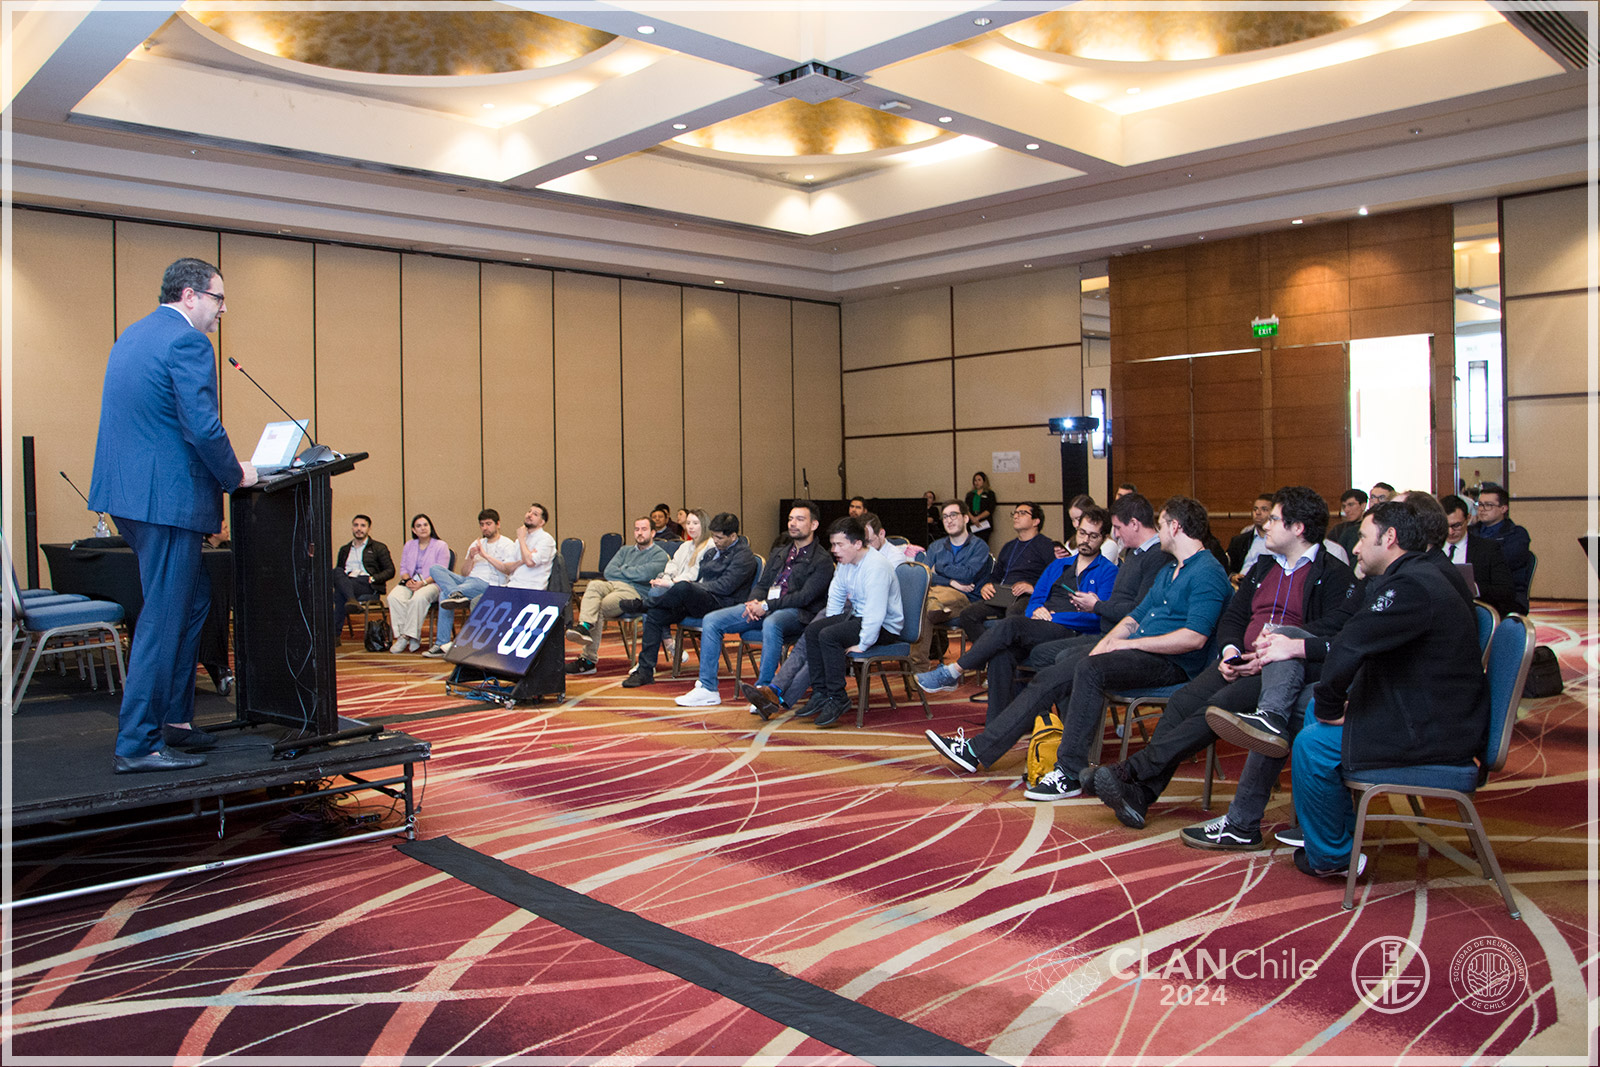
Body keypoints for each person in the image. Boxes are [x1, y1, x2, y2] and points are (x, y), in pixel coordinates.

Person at [1087, 487, 1356, 830]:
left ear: (1298, 528)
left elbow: (1334, 629)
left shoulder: (1333, 574)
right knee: (1182, 702)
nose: (1265, 525)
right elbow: (1234, 617)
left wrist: (1273, 647)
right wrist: (1231, 651)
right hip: (1239, 660)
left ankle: (1132, 771)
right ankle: (1140, 794)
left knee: (1217, 708)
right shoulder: (1263, 567)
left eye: (1274, 519)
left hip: (1285, 670)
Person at [87, 257, 258, 773]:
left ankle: (175, 721)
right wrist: (236, 474)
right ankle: (138, 743)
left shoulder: (133, 335)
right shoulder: (188, 342)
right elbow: (202, 426)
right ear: (190, 296)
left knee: (194, 600)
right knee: (163, 618)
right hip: (166, 501)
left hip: (131, 498)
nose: (222, 310)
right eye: (218, 299)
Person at [1288, 500, 1488, 879]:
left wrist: (1332, 705)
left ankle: (1332, 858)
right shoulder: (1419, 575)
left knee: (1312, 745)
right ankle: (1336, 833)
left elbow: (1349, 646)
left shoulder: (1412, 586)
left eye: (1363, 538)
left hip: (1435, 730)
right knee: (1316, 711)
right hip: (1432, 709)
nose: (1356, 548)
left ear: (1390, 538)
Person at [1022, 497, 1231, 801]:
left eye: (1161, 524)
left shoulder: (1207, 571)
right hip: (1145, 653)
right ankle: (1057, 758)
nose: (1158, 531)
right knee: (1081, 660)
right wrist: (1106, 644)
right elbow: (1134, 618)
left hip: (1175, 664)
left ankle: (1068, 771)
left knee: (1089, 668)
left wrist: (1125, 645)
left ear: (1175, 527)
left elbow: (1194, 638)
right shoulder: (1170, 570)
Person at [917, 505, 1117, 741]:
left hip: (1071, 631)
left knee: (1011, 624)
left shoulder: (1108, 571)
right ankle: (994, 733)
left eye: (1093, 536)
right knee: (1001, 655)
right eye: (1082, 533)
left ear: (1103, 538)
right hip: (1042, 624)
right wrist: (1036, 610)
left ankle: (954, 671)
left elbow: (1098, 616)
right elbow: (1037, 598)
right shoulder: (1059, 565)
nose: (1085, 540)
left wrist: (1054, 616)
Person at [673, 501, 833, 706]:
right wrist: (753, 602)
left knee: (773, 622)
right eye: (790, 519)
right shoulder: (781, 552)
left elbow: (804, 597)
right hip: (765, 607)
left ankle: (763, 691)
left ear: (814, 525)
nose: (793, 523)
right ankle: (707, 688)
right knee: (712, 620)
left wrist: (766, 606)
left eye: (800, 519)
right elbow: (763, 584)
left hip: (797, 613)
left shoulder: (822, 560)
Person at [621, 512, 759, 688]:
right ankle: (645, 671)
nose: (715, 541)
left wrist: (694, 587)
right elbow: (701, 577)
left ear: (733, 536)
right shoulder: (712, 552)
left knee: (683, 587)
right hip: (702, 600)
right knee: (656, 614)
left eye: (719, 538)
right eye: (713, 536)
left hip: (723, 604)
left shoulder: (744, 557)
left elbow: (724, 587)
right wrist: (693, 587)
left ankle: (645, 604)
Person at [794, 516, 906, 729]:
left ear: (857, 544)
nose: (834, 550)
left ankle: (837, 698)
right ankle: (821, 692)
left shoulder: (876, 566)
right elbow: (836, 594)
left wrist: (863, 643)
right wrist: (832, 622)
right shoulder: (846, 563)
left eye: (839, 544)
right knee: (814, 630)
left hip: (885, 626)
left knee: (829, 636)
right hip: (860, 617)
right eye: (832, 544)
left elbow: (875, 613)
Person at [565, 517, 670, 674]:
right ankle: (584, 626)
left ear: (653, 533)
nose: (639, 533)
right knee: (594, 584)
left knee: (597, 607)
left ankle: (588, 660)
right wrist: (632, 572)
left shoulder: (660, 555)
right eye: (637, 529)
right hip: (614, 585)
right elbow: (609, 571)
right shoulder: (625, 550)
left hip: (635, 593)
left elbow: (646, 575)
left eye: (644, 529)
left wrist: (623, 569)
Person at [909, 499, 991, 671]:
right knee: (923, 606)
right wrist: (951, 581)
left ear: (966, 518)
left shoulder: (979, 546)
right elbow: (925, 576)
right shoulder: (936, 546)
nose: (949, 520)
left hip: (966, 599)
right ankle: (918, 669)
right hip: (936, 592)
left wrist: (939, 568)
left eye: (953, 515)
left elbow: (967, 575)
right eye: (945, 516)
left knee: (922, 606)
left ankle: (918, 669)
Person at [424, 509, 520, 656]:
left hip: (488, 583)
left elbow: (507, 570)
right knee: (435, 569)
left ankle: (441, 643)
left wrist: (485, 556)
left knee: (444, 595)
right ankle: (455, 594)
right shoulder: (477, 543)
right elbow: (464, 573)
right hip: (468, 581)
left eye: (488, 524)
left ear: (498, 524)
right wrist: (470, 557)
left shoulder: (507, 544)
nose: (485, 528)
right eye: (482, 524)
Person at [953, 502, 1055, 640]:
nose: (1016, 516)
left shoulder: (1046, 545)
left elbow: (1055, 578)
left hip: (1027, 596)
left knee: (1014, 612)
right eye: (1015, 513)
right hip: (1004, 594)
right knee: (967, 614)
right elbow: (996, 575)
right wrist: (987, 586)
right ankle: (988, 649)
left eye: (1022, 513)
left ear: (1036, 521)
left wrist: (1033, 588)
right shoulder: (1009, 546)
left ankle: (1004, 649)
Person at [1440, 493, 1517, 615]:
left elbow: (1505, 591)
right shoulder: (1429, 549)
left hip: (1474, 612)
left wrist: (1474, 588)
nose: (1450, 532)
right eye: (1445, 526)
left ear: (1468, 519)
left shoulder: (1488, 549)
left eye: (1456, 525)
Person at [386, 513, 451, 653]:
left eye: (425, 525)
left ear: (431, 527)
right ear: (414, 530)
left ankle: (407, 636)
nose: (423, 528)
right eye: (419, 526)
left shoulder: (441, 545)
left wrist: (423, 583)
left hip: (432, 583)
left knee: (418, 598)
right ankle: (408, 636)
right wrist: (407, 580)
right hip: (411, 582)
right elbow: (403, 568)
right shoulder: (409, 545)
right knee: (394, 597)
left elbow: (441, 571)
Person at [1472, 482, 1533, 612]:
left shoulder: (1517, 534)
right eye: (1480, 504)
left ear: (1503, 508)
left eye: (1488, 505)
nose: (1482, 509)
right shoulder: (1470, 532)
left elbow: (1502, 562)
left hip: (1506, 595)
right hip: (1474, 591)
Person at [331, 514, 395, 638]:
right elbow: (339, 573)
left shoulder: (378, 548)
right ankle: (352, 600)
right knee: (337, 571)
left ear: (369, 528)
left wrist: (375, 578)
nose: (359, 529)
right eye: (356, 525)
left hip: (367, 583)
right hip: (348, 580)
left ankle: (335, 636)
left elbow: (390, 570)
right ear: (352, 528)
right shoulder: (345, 549)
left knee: (339, 593)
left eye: (363, 526)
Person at [645, 508, 712, 602]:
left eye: (695, 523)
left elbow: (695, 575)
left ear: (704, 525)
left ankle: (641, 605)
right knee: (656, 590)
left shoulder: (710, 545)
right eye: (688, 523)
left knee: (656, 593)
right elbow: (673, 564)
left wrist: (671, 582)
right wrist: (665, 579)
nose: (690, 527)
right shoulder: (685, 545)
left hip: (695, 588)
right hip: (675, 584)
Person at [1227, 494, 1273, 575]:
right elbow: (1227, 567)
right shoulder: (1240, 540)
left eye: (1264, 509)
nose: (1257, 513)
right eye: (1255, 509)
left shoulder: (1280, 541)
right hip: (1242, 580)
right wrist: (1233, 576)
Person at [1327, 488, 1368, 557]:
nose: (1346, 509)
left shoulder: (1369, 528)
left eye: (1351, 505)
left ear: (1363, 506)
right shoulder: (1338, 529)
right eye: (1344, 506)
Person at [965, 472, 997, 545]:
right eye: (975, 480)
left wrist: (978, 518)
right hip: (972, 523)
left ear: (984, 481)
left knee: (983, 544)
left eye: (979, 480)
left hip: (984, 523)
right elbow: (966, 508)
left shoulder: (990, 494)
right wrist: (973, 518)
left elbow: (990, 509)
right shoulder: (970, 494)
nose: (977, 482)